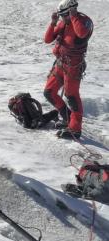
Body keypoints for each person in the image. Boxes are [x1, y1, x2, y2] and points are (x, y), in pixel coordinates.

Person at [43, 0, 93, 140]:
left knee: (72, 96)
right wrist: (53, 22)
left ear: (72, 11)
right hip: (60, 64)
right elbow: (48, 39)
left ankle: (75, 129)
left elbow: (82, 34)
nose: (63, 17)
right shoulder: (63, 23)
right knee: (49, 92)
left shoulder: (83, 21)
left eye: (64, 14)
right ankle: (67, 118)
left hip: (73, 66)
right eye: (62, 15)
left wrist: (74, 16)